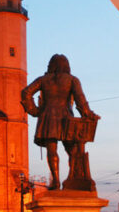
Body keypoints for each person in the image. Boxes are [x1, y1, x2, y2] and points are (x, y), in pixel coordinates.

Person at [21, 54, 99, 190]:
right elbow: (81, 100)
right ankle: (74, 177)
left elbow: (26, 92)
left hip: (47, 118)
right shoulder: (72, 80)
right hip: (66, 118)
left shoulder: (43, 80)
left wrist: (35, 111)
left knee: (52, 150)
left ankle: (56, 181)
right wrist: (89, 114)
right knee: (72, 151)